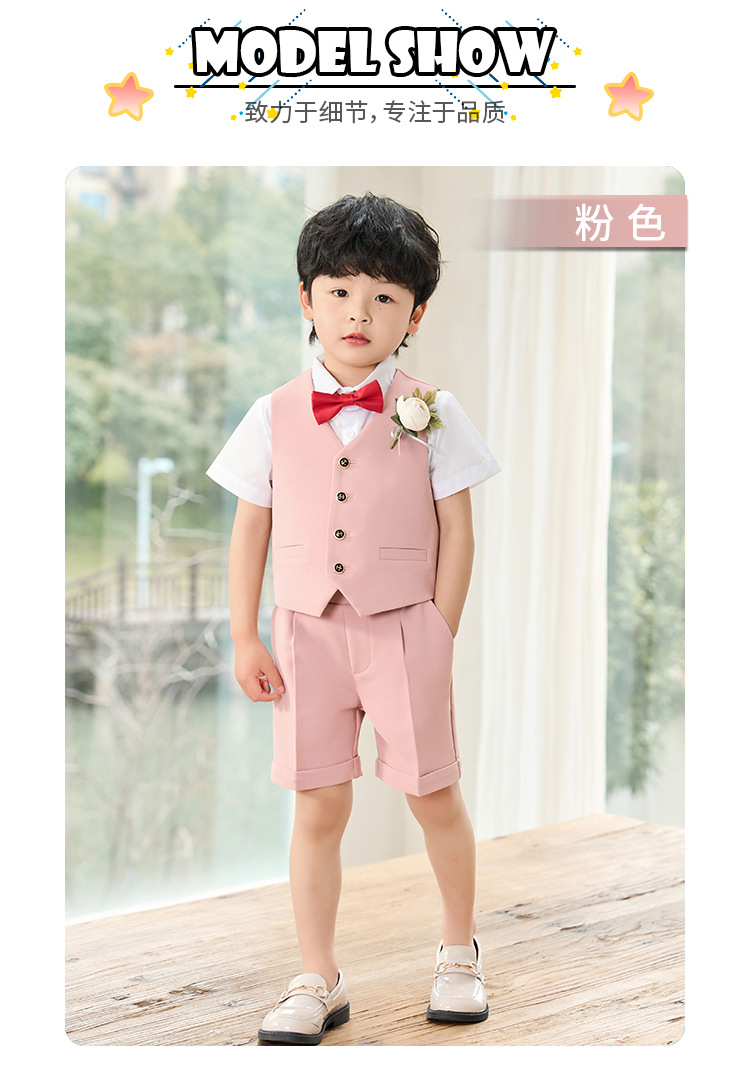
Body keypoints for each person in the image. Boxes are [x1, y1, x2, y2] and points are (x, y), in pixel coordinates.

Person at [207, 192, 500, 1045]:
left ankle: (458, 952)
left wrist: (439, 632)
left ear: (415, 314)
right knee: (317, 808)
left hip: (405, 629)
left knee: (434, 796)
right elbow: (251, 528)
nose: (358, 313)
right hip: (305, 635)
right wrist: (244, 634)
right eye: (339, 292)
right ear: (307, 299)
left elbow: (458, 531)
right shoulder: (271, 413)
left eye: (382, 296)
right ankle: (317, 975)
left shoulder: (434, 409)